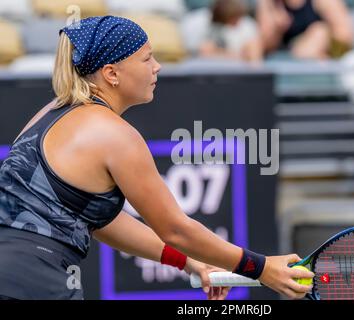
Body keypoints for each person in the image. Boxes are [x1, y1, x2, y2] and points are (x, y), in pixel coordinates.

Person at [0, 16, 313, 300]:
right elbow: (176, 229)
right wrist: (260, 268)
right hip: (33, 280)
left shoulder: (52, 111)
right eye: (147, 58)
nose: (157, 66)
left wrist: (189, 261)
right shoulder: (115, 134)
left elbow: (99, 221)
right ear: (111, 74)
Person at [256, 0, 354, 59]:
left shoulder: (324, 2)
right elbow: (263, 47)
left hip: (319, 62)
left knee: (319, 31)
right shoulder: (270, 3)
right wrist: (277, 29)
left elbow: (345, 36)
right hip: (284, 65)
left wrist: (325, 51)